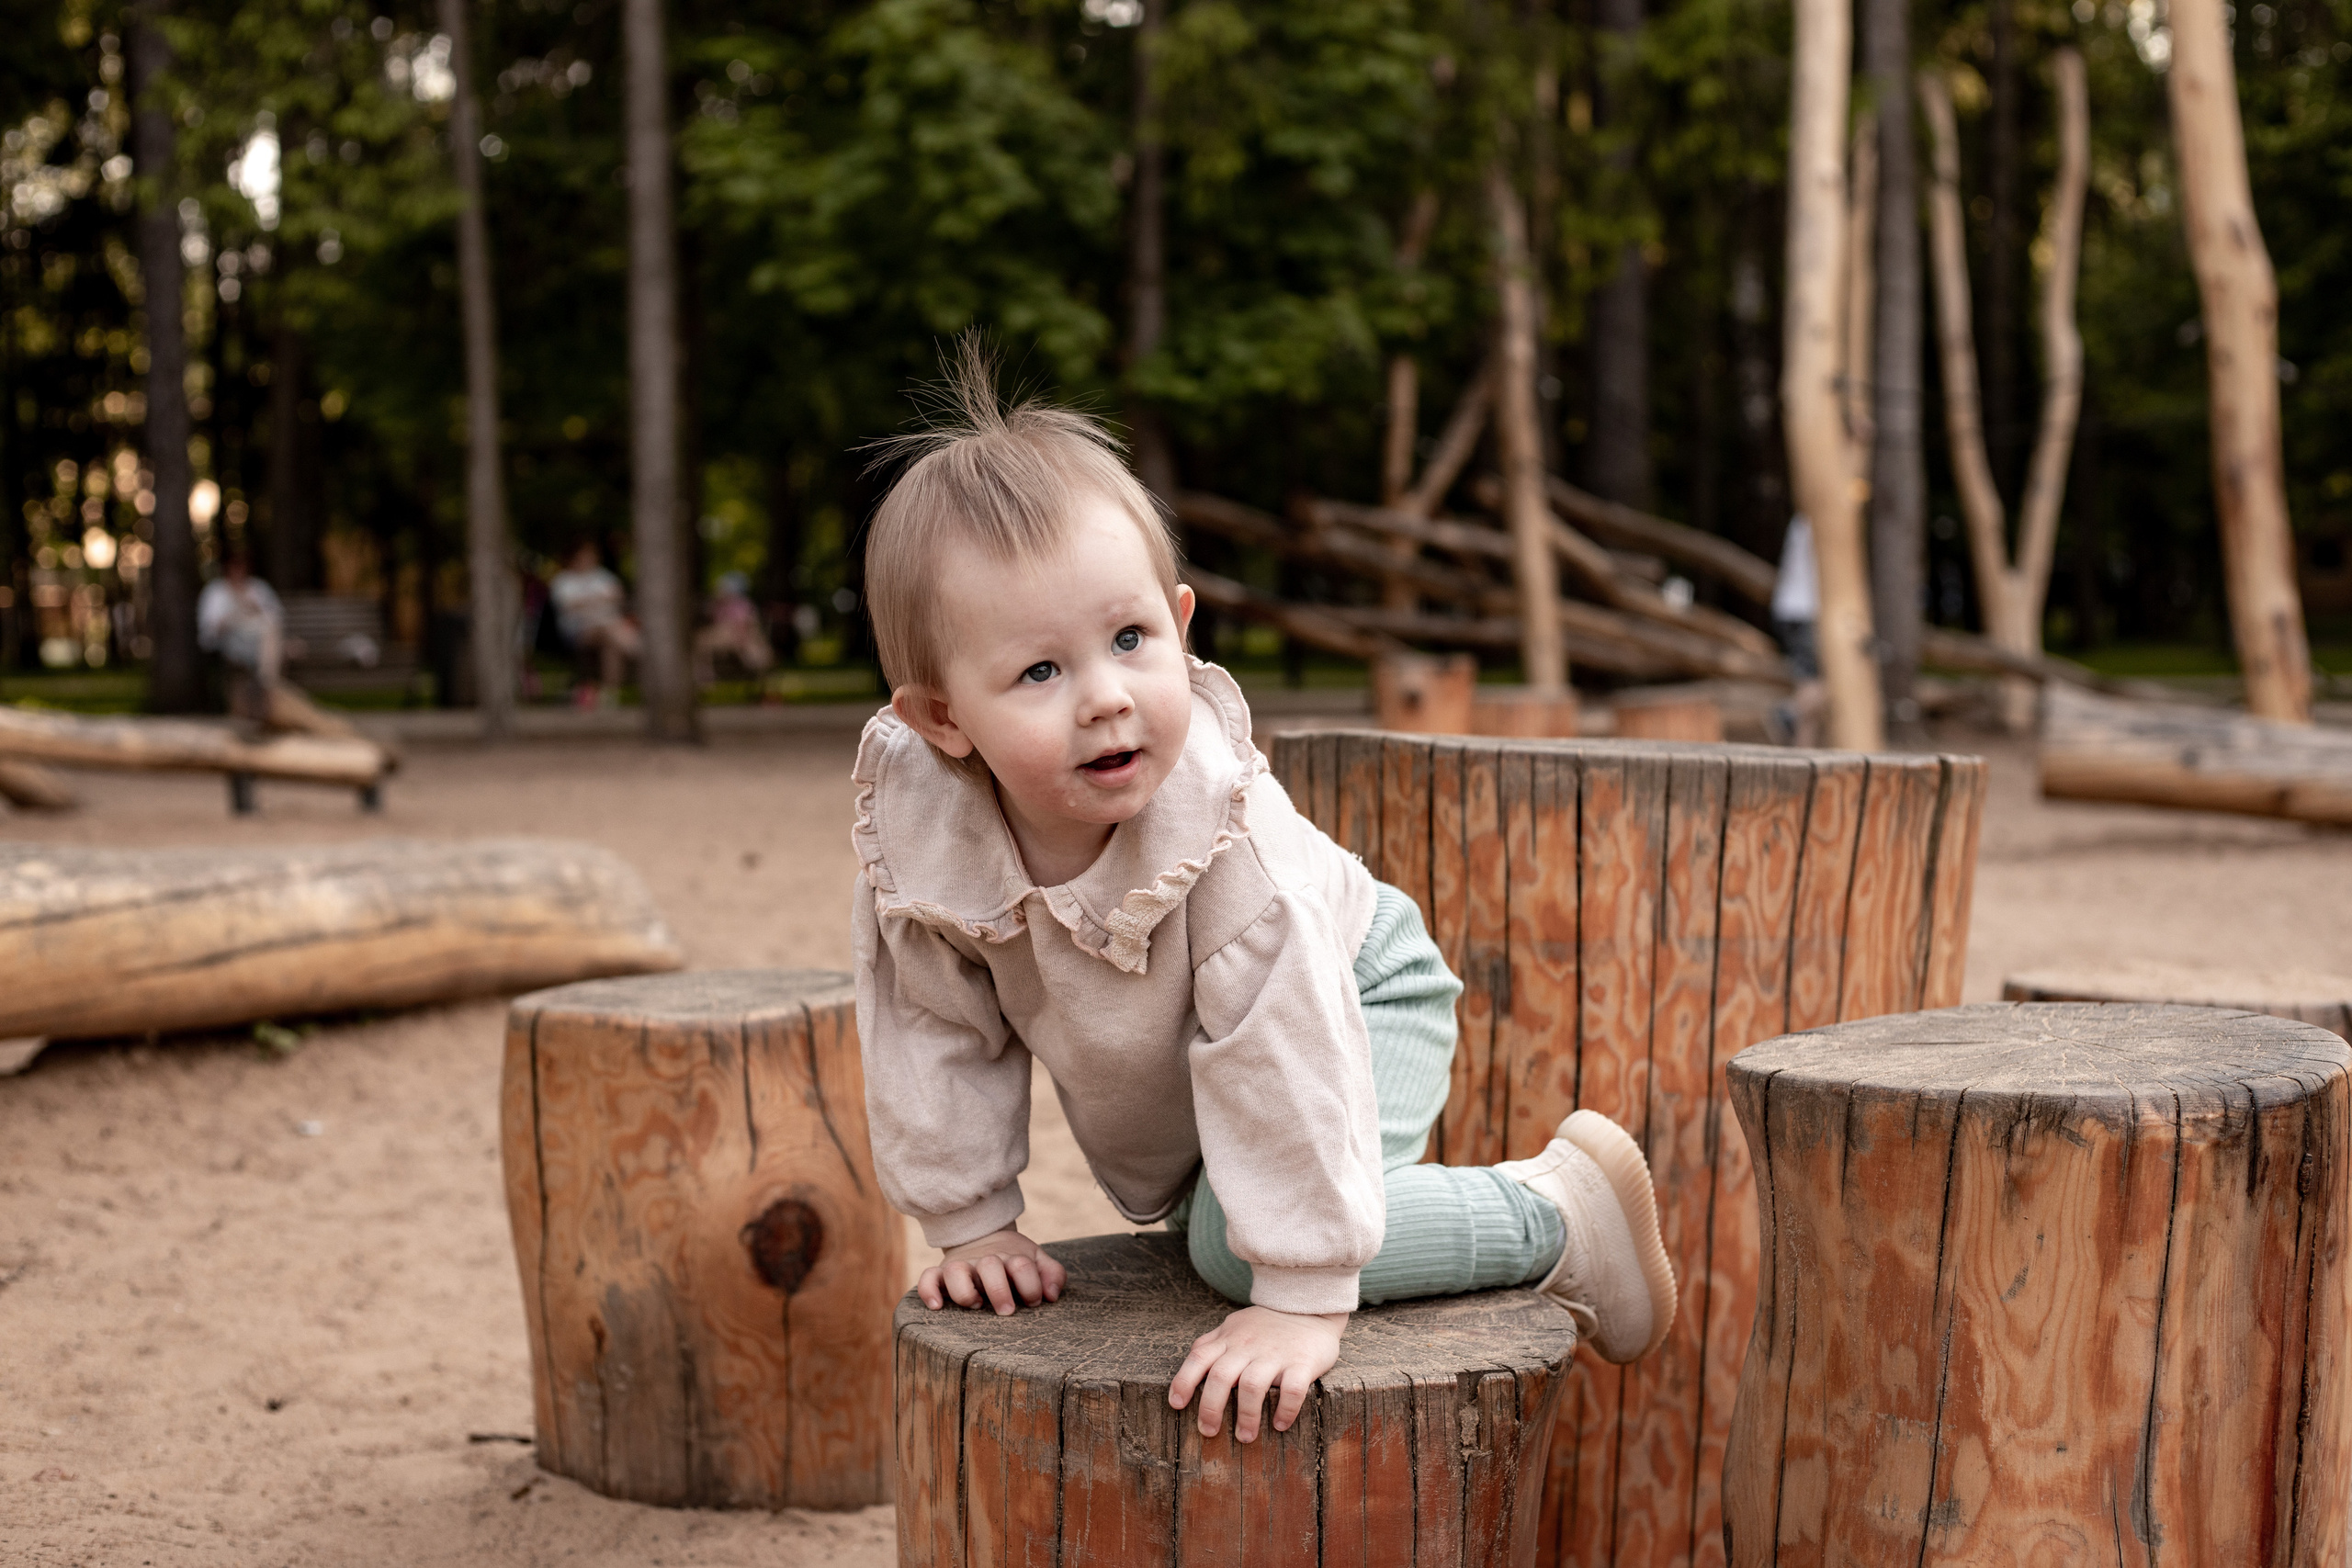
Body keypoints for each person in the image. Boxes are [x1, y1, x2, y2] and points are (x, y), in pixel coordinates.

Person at [850, 347, 1677, 1448]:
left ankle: (1560, 1211)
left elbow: (1282, 1034)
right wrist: (971, 1223)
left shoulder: (1219, 839)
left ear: (1180, 624)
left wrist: (1298, 1296)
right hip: (1209, 1055)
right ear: (942, 719)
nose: (1106, 698)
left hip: (1353, 988)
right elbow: (928, 1024)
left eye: (1130, 640)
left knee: (1234, 1251)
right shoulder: (925, 847)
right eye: (1040, 672)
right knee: (1219, 1227)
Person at [548, 541, 641, 709]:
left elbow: (618, 596)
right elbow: (568, 605)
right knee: (610, 630)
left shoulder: (603, 576)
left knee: (611, 646)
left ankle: (609, 695)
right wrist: (599, 600)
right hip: (578, 631)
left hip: (609, 628)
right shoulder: (564, 580)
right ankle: (637, 649)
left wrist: (590, 602)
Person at [1770, 513, 1826, 747]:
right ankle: (1789, 712)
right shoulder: (1824, 517)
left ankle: (1803, 750)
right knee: (1831, 682)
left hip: (1790, 607)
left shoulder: (1802, 518)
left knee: (1807, 682)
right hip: (1808, 611)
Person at [197, 550, 291, 692]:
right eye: (234, 566)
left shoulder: (258, 587)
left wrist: (256, 608)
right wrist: (229, 619)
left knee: (270, 631)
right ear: (226, 568)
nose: (238, 571)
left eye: (241, 566)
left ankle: (266, 682)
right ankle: (269, 684)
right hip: (232, 641)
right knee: (275, 642)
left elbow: (276, 617)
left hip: (260, 638)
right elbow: (209, 630)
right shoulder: (216, 591)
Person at [693, 570, 777, 688]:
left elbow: (745, 627)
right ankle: (705, 676)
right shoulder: (721, 605)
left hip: (736, 637)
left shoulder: (741, 605)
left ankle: (705, 677)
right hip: (732, 637)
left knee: (702, 642)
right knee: (701, 642)